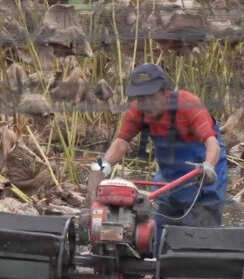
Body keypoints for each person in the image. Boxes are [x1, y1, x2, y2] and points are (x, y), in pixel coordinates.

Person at [94, 63, 228, 227]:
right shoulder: (136, 112)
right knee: (159, 225)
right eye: (142, 98)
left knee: (202, 223)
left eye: (152, 96)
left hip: (204, 167)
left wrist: (209, 166)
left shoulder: (188, 105)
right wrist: (103, 167)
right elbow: (121, 142)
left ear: (165, 92)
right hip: (170, 173)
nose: (147, 104)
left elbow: (211, 142)